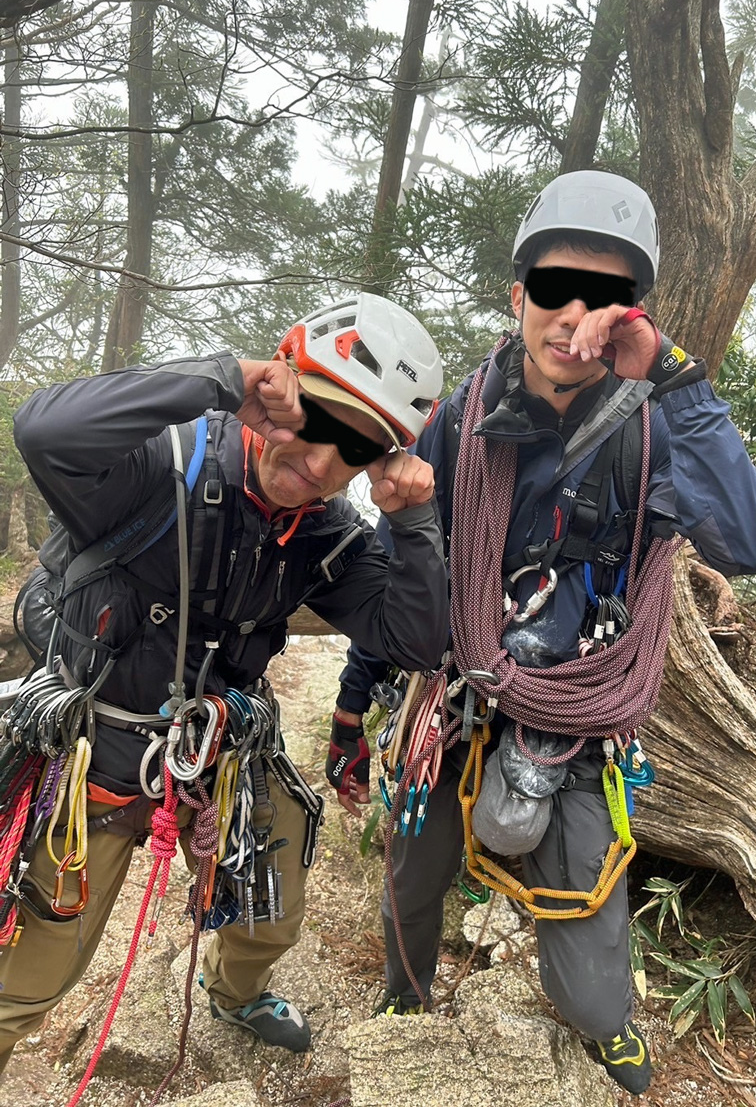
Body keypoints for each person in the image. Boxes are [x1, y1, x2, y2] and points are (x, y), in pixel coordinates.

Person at [331, 171, 756, 1096]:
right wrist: (351, 707)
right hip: (454, 696)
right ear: (518, 297)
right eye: (554, 288)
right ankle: (404, 999)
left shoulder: (652, 429)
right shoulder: (458, 420)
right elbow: (407, 568)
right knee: (414, 878)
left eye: (605, 295)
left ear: (632, 312)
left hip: (578, 713)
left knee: (589, 935)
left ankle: (604, 1026)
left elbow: (749, 541)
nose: (574, 313)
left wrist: (672, 377)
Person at [0, 293, 448, 1075]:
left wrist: (412, 521)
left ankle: (236, 991)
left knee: (272, 914)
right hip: (91, 752)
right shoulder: (155, 465)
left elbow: (416, 640)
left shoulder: (324, 534)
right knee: (28, 980)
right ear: (278, 386)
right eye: (315, 419)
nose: (319, 463)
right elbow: (44, 431)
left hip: (222, 745)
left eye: (352, 448)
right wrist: (222, 377)